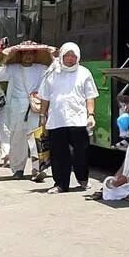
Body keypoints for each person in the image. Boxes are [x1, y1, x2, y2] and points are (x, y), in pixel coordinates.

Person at [37, 42, 99, 194]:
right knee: (59, 155)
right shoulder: (51, 73)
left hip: (78, 119)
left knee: (81, 152)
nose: (70, 59)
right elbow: (45, 97)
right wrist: (42, 116)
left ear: (77, 57)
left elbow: (90, 96)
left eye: (73, 56)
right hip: (57, 120)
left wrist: (90, 115)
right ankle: (60, 184)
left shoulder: (84, 73)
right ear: (62, 56)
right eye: (67, 56)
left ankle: (83, 179)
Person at [0, 48, 47, 180]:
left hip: (35, 107)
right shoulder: (12, 68)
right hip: (17, 108)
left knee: (36, 138)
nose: (28, 56)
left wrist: (53, 56)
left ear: (35, 55)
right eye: (25, 53)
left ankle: (37, 169)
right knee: (17, 139)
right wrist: (5, 59)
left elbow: (54, 72)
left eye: (31, 53)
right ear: (20, 55)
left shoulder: (41, 68)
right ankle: (18, 169)